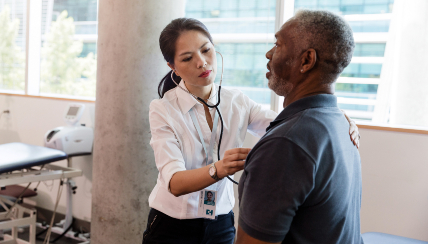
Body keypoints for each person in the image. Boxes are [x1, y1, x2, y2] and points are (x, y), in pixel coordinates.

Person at [142, 18, 360, 244]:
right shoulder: (162, 109)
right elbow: (174, 182)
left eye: (206, 50)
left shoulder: (237, 101)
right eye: (187, 58)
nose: (202, 62)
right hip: (172, 225)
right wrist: (219, 168)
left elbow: (291, 123)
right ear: (172, 67)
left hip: (222, 223)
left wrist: (335, 113)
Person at [236, 10, 364, 244]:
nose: (268, 53)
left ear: (306, 60)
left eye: (277, 44)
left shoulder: (285, 144)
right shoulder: (339, 123)